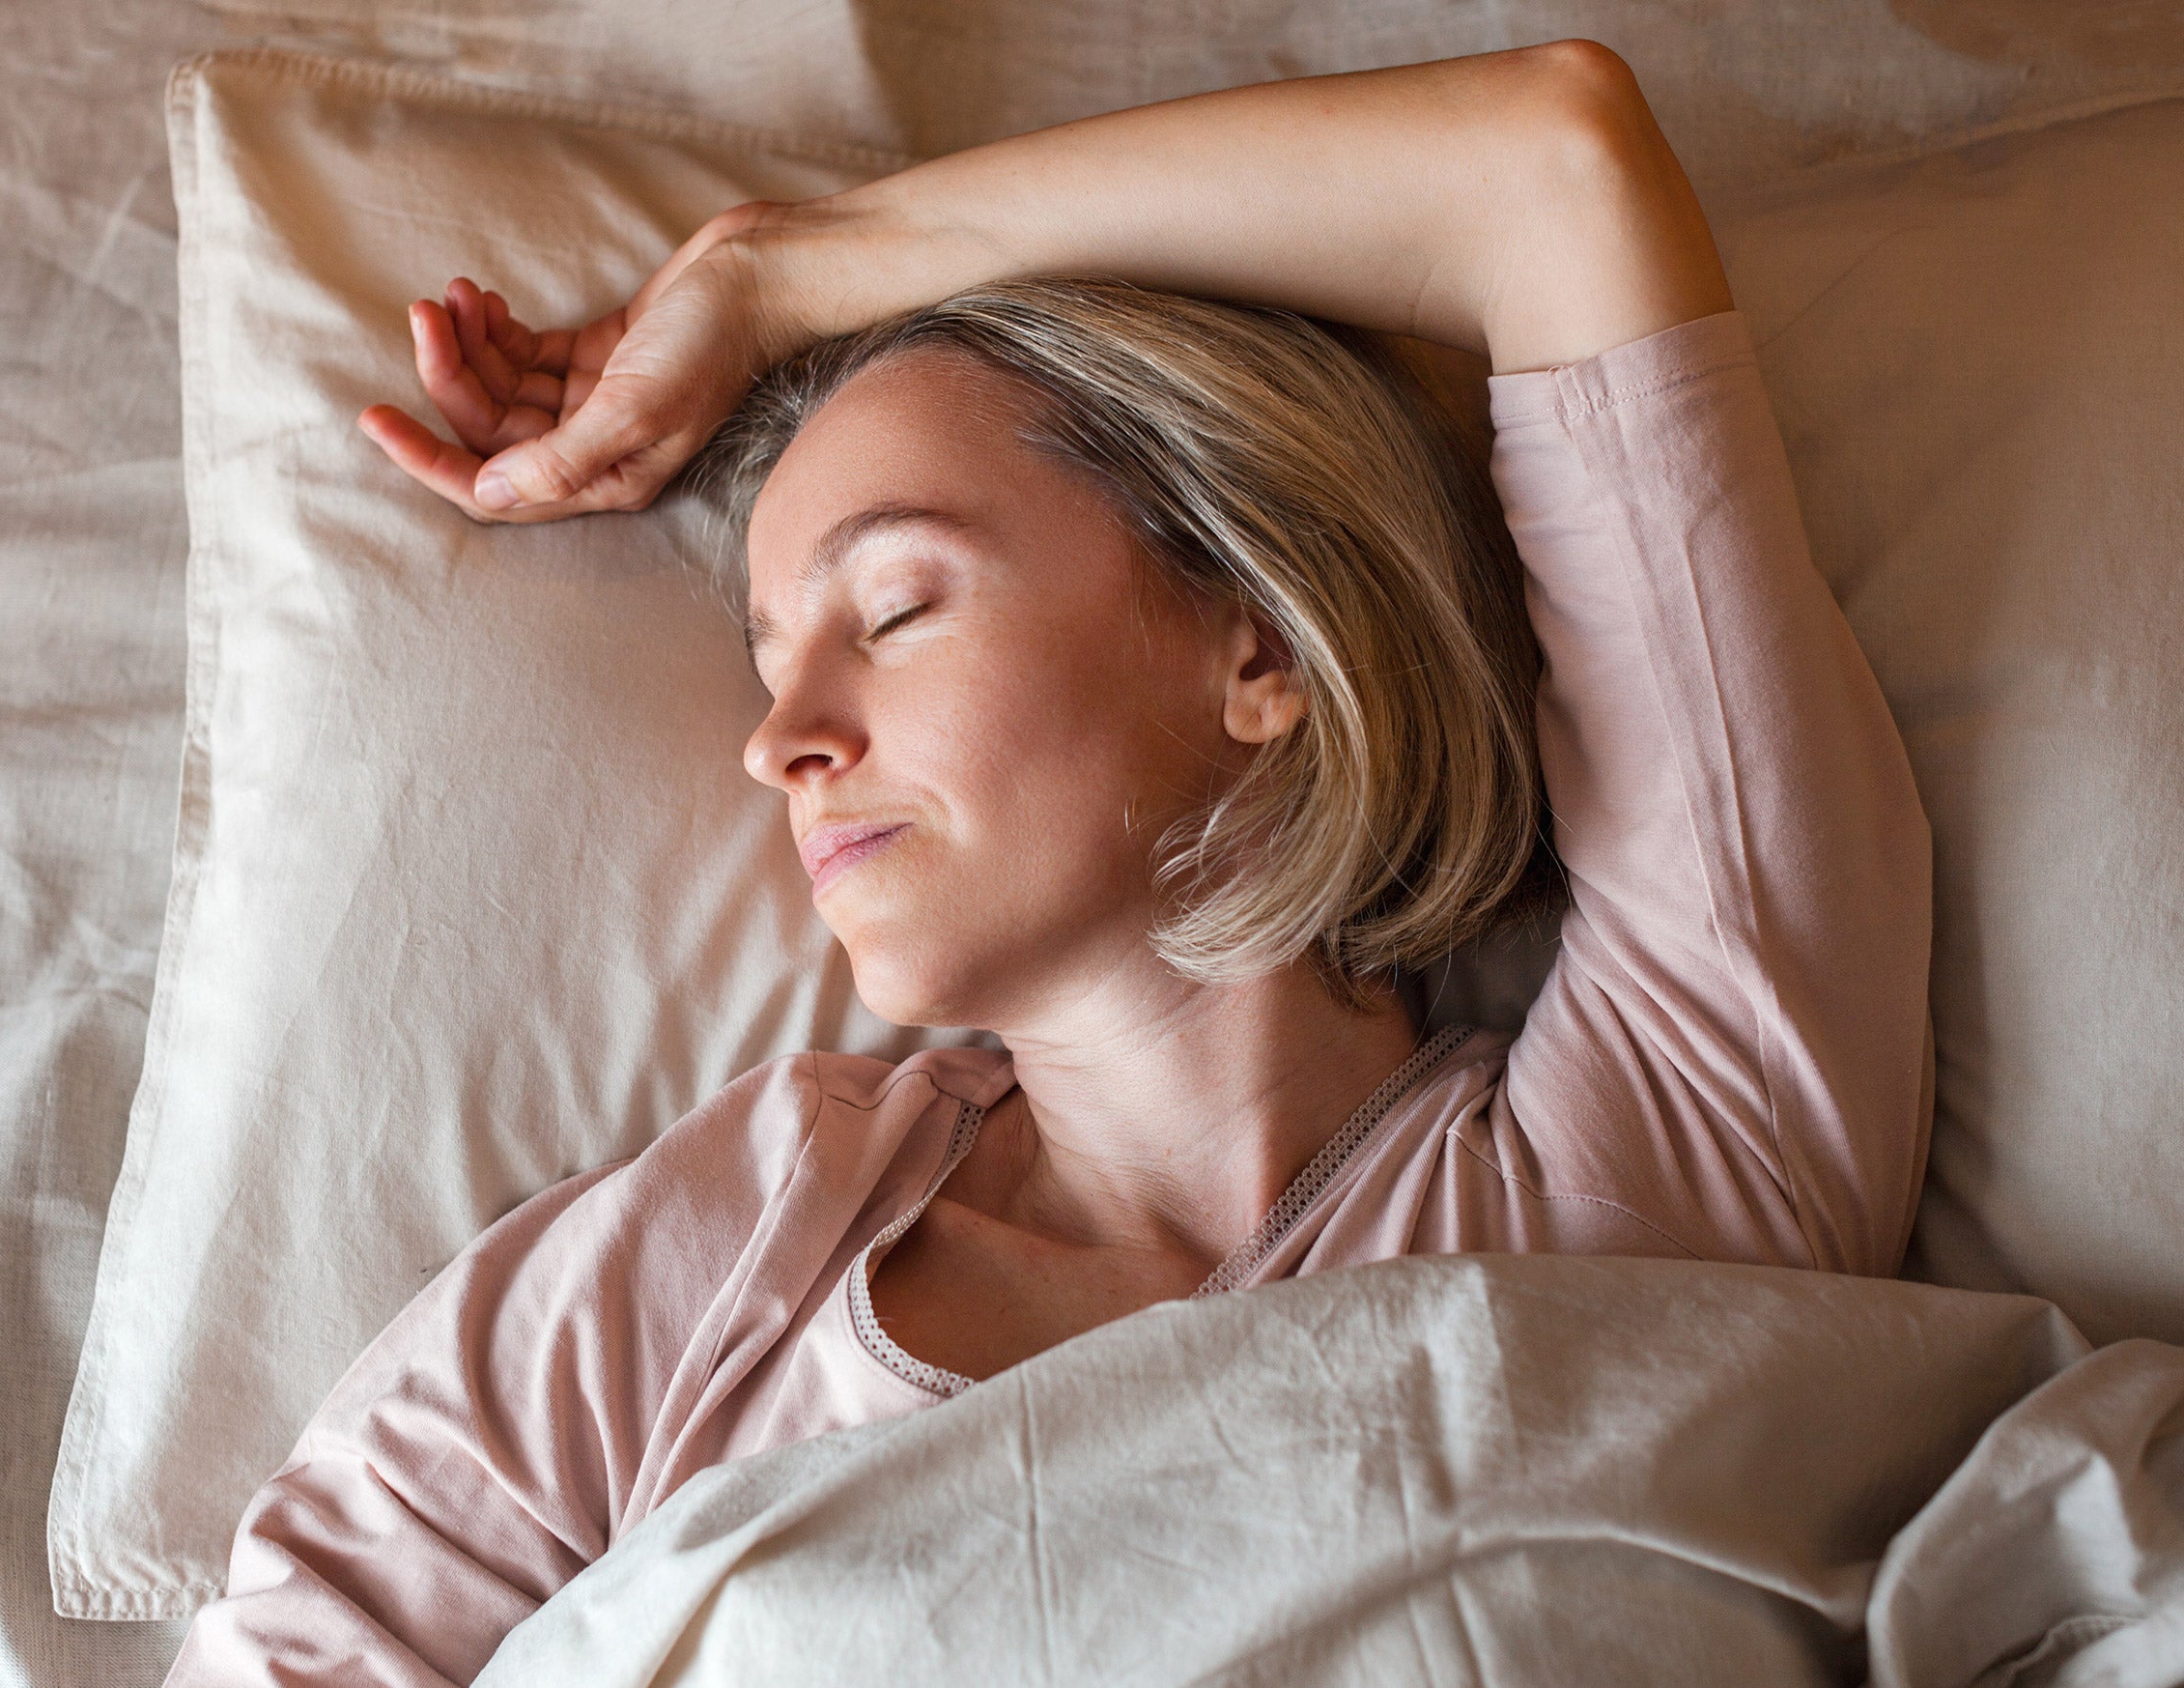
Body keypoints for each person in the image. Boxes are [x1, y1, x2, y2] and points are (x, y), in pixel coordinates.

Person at [169, 40, 1932, 1684]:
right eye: (773, 665)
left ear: (1262, 647)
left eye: (895, 607)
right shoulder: (720, 1252)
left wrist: (780, 272)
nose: (782, 742)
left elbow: (1551, 167)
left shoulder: (1670, 1146)